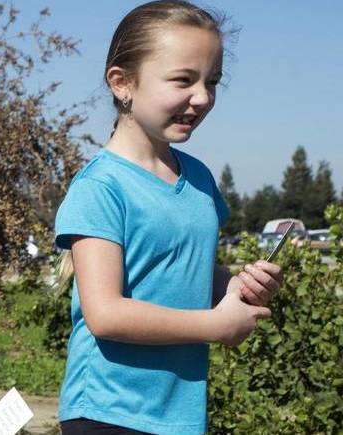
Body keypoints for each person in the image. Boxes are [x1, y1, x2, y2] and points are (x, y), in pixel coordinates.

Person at [54, 2, 283, 434]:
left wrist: (236, 288)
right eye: (183, 80)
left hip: (178, 414)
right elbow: (105, 314)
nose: (202, 98)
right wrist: (214, 326)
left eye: (211, 82)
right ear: (122, 83)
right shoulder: (100, 188)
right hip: (108, 411)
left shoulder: (198, 178)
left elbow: (191, 271)